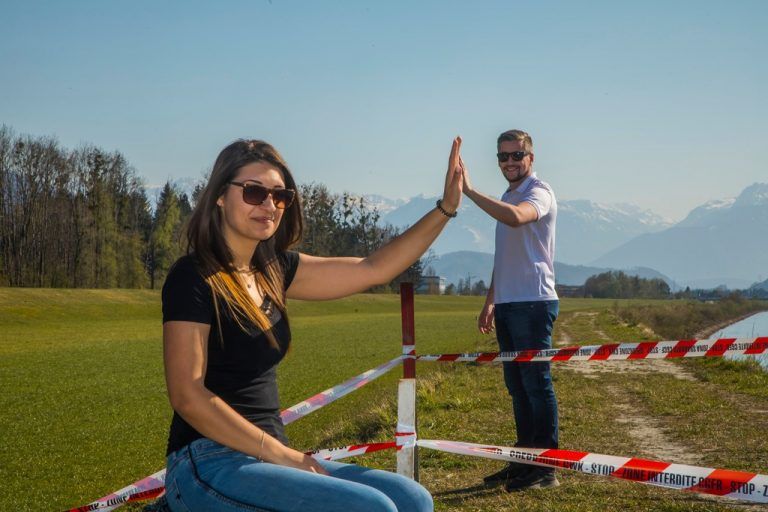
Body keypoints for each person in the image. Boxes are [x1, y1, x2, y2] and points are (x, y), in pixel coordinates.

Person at [160, 137, 463, 512]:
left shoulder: (275, 270)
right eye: (254, 192)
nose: (269, 205)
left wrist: (446, 208)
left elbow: (373, 268)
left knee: (413, 499)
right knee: (372, 509)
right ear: (221, 195)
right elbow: (187, 396)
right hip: (208, 460)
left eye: (280, 196)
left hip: (269, 455)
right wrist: (283, 456)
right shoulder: (193, 276)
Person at [461, 129, 559, 491]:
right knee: (517, 387)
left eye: (517, 155)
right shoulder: (507, 194)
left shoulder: (539, 192)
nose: (510, 163)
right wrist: (491, 300)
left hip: (534, 302)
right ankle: (523, 460)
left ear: (531, 158)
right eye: (503, 157)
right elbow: (505, 258)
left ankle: (546, 468)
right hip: (508, 303)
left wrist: (469, 192)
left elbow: (517, 218)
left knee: (537, 385)